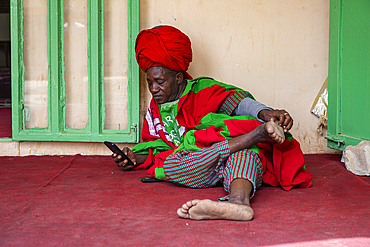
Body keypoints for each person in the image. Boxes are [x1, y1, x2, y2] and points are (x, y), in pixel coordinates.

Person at [112, 25, 312, 221]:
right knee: (171, 165)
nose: (154, 89)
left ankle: (238, 202)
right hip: (197, 167)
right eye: (150, 83)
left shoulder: (200, 89)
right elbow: (157, 150)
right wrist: (134, 158)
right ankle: (253, 135)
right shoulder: (155, 110)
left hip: (228, 164)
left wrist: (265, 112)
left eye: (160, 82)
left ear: (179, 78)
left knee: (247, 155)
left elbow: (237, 102)